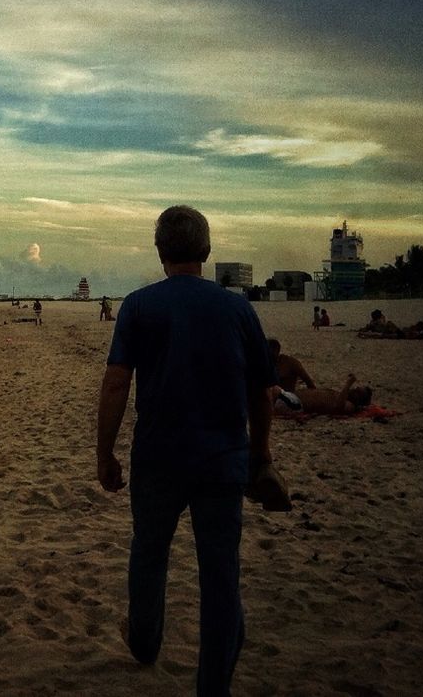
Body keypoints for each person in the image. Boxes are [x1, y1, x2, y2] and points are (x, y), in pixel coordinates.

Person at [97, 205, 283, 697]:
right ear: (206, 251)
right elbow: (263, 392)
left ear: (160, 250)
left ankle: (144, 641)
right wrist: (261, 455)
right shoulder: (238, 309)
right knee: (221, 575)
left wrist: (104, 452)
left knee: (149, 552)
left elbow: (116, 384)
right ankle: (212, 687)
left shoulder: (138, 307)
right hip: (223, 462)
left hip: (157, 459)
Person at [272, 373, 373, 416]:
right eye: (356, 388)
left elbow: (339, 407)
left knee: (271, 389)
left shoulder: (349, 405)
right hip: (292, 400)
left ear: (359, 400)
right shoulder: (341, 396)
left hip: (295, 405)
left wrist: (348, 383)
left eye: (358, 392)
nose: (354, 390)